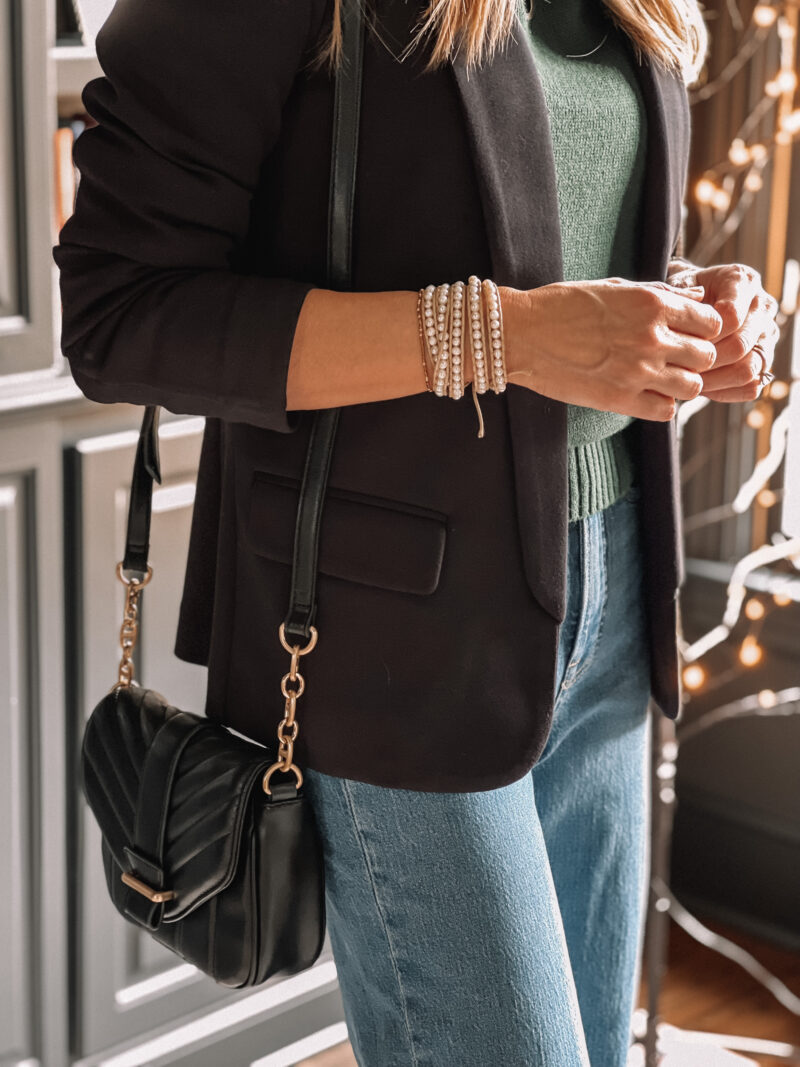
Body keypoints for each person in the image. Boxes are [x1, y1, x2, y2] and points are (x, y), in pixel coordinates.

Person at [53, 0, 779, 1063]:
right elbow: (121, 319)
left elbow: (538, 226)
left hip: (612, 594)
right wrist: (506, 336)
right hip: (392, 639)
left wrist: (690, 310)